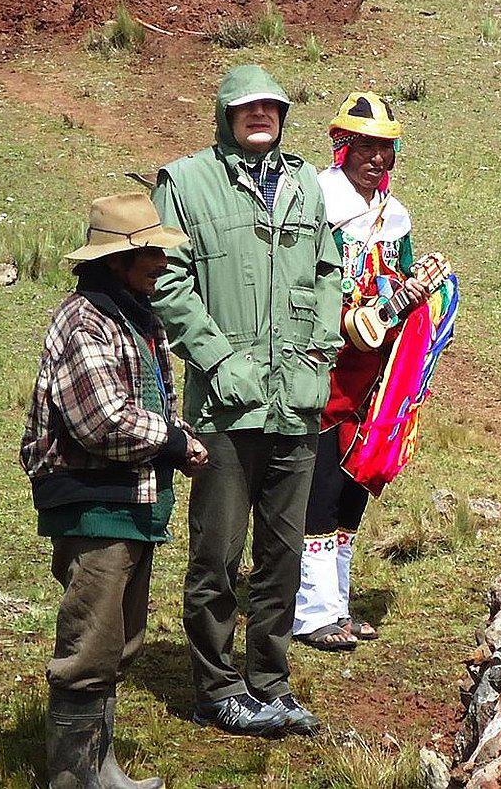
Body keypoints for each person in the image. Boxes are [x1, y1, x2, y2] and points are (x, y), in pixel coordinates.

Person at [150, 64, 342, 736]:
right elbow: (168, 284)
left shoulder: (306, 183)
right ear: (225, 113)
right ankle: (216, 687)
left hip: (296, 401)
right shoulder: (186, 183)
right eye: (247, 106)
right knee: (218, 554)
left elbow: (329, 271)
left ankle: (269, 682)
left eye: (272, 106)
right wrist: (220, 359)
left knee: (284, 555)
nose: (261, 115)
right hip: (226, 407)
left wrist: (320, 349)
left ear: (283, 116)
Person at [21, 192, 207, 789]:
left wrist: (175, 440)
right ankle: (74, 779)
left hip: (128, 503)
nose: (161, 263)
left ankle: (98, 769)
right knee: (90, 647)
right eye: (150, 253)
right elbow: (102, 421)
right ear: (117, 261)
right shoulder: (86, 323)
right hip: (95, 505)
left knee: (118, 642)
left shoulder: (136, 318)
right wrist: (173, 442)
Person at [293, 91, 432, 651]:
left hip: (374, 370)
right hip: (325, 365)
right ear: (343, 147)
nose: (377, 159)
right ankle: (310, 611)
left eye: (386, 149)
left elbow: (398, 279)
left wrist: (414, 292)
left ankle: (337, 606)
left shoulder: (395, 215)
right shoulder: (315, 200)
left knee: (354, 484)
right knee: (322, 482)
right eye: (366, 147)